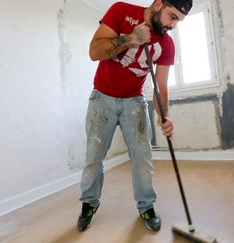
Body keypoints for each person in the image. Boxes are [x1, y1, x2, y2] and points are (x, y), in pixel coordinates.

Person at [77, 0, 193, 232]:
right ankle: (89, 204)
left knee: (143, 158)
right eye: (172, 17)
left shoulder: (166, 45)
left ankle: (146, 206)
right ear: (159, 4)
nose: (174, 25)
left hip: (134, 102)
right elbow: (94, 52)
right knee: (93, 156)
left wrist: (164, 117)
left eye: (178, 21)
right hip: (102, 99)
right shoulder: (121, 10)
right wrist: (129, 39)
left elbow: (161, 86)